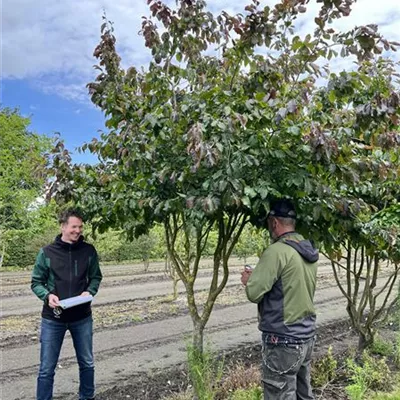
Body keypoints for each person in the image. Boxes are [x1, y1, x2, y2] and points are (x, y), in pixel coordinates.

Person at [241, 199, 318, 400]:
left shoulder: (276, 252)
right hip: (306, 336)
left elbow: (254, 292)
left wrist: (250, 281)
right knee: (303, 394)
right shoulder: (306, 249)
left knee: (279, 394)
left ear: (274, 222)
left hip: (283, 340)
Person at [31, 209, 103, 400]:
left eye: (80, 226)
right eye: (74, 226)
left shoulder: (89, 251)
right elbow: (36, 282)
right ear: (63, 226)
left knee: (87, 363)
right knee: (46, 368)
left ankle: (87, 397)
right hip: (53, 319)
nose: (78, 230)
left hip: (82, 318)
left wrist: (90, 291)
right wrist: (47, 296)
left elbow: (95, 277)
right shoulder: (46, 253)